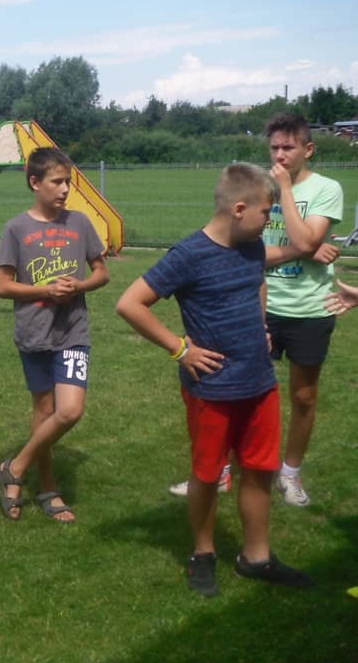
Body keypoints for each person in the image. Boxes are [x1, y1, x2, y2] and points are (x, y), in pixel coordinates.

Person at [116, 163, 313, 597]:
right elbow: (130, 303)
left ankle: (256, 557)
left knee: (259, 469)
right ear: (239, 209)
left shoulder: (252, 247)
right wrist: (180, 349)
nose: (269, 221)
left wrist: (260, 326)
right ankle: (203, 552)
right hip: (213, 389)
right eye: (266, 212)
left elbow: (285, 259)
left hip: (259, 383)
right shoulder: (189, 254)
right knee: (207, 474)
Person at [0, 147, 109, 523]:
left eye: (67, 182)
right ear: (35, 183)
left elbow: (102, 273)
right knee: (43, 412)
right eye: (57, 182)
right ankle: (47, 488)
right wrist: (46, 290)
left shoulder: (80, 223)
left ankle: (14, 467)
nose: (64, 189)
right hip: (34, 332)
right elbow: (3, 286)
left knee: (69, 411)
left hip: (73, 330)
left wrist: (80, 286)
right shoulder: (16, 229)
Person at [261, 113, 344, 507]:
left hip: (310, 308)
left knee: (304, 396)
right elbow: (247, 248)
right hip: (259, 304)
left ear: (308, 149)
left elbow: (305, 237)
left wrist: (284, 191)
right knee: (237, 390)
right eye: (274, 147)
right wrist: (306, 249)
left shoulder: (327, 188)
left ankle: (289, 474)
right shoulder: (258, 185)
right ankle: (222, 468)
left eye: (288, 147)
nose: (280, 155)